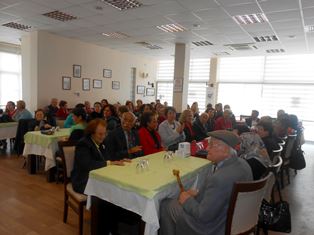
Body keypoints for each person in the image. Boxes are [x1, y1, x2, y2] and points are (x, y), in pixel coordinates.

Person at [159, 130, 253, 235]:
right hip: (234, 221)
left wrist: (187, 199)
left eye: (212, 145)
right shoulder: (244, 164)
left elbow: (203, 215)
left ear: (226, 150)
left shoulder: (220, 178)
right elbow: (222, 195)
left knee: (166, 204)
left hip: (212, 228)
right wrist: (198, 193)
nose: (207, 148)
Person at [71, 119, 127, 194]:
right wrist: (109, 163)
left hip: (100, 177)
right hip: (84, 180)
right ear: (92, 133)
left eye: (105, 133)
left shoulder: (102, 142)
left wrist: (120, 160)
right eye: (100, 134)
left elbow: (108, 157)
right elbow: (87, 164)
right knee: (112, 191)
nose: (103, 136)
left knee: (119, 186)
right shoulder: (83, 144)